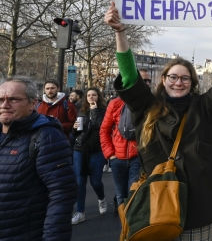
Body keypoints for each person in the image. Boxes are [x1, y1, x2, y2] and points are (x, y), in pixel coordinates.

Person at [104, 1, 212, 240]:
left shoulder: (205, 107)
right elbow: (129, 75)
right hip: (155, 206)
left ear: (193, 83)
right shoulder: (147, 105)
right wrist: (120, 32)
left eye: (185, 78)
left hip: (197, 210)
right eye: (173, 77)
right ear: (163, 79)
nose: (179, 82)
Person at [0, 77, 78, 240]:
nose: (4, 105)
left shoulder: (46, 136)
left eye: (13, 99)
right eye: (0, 99)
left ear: (32, 103)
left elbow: (61, 193)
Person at [99, 70, 150, 208]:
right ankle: (124, 226)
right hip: (118, 157)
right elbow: (104, 129)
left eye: (148, 81)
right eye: (143, 81)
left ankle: (131, 227)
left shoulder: (149, 103)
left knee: (133, 194)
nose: (146, 84)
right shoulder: (115, 103)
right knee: (120, 194)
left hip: (137, 157)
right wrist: (110, 154)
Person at [71, 87, 108, 225]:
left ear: (99, 97)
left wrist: (94, 110)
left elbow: (101, 127)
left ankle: (102, 198)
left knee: (95, 181)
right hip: (80, 149)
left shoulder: (103, 111)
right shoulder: (81, 111)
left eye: (94, 95)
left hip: (96, 150)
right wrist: (74, 128)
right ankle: (80, 212)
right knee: (80, 182)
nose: (91, 97)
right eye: (89, 95)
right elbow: (75, 133)